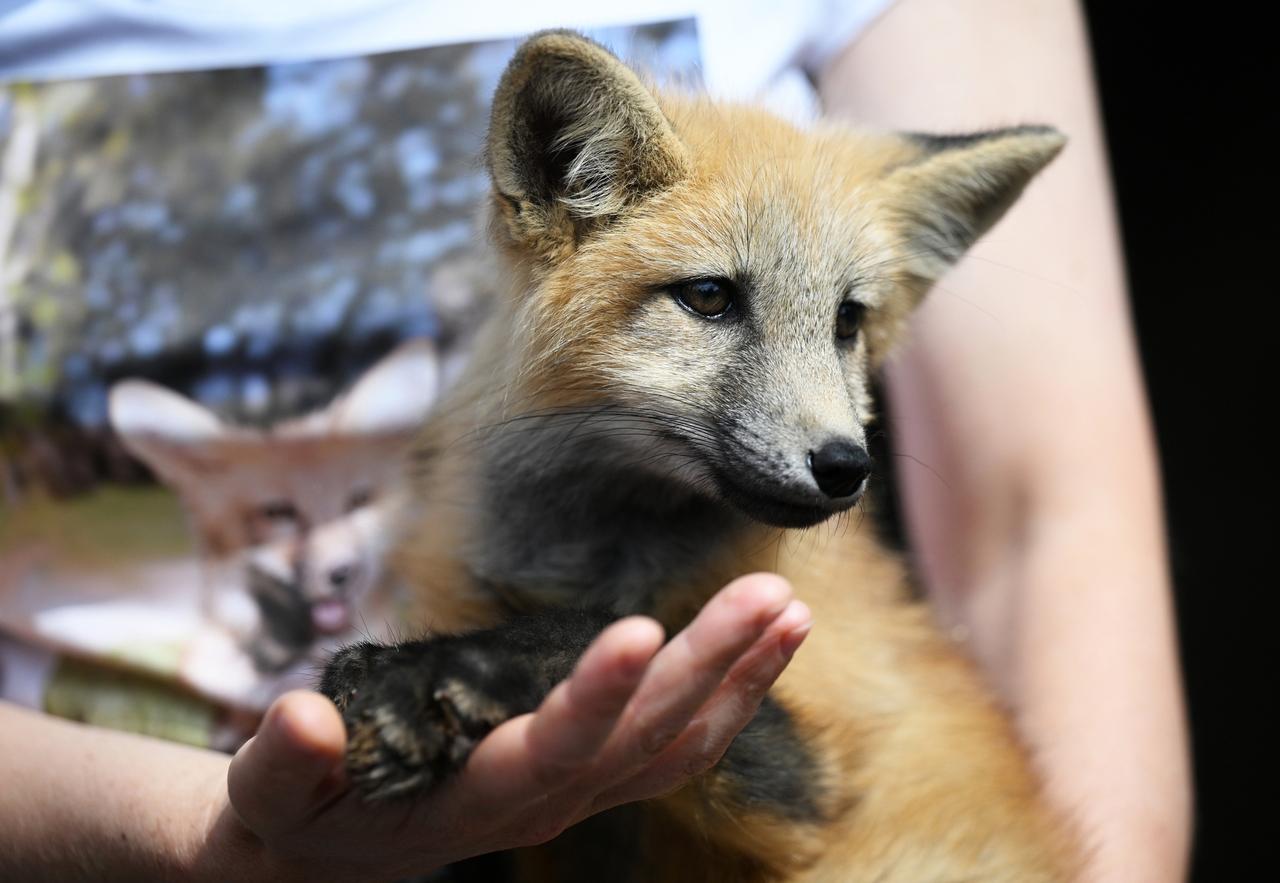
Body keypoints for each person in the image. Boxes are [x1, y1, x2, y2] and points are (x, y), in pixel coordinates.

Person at [0, 1, 1189, 881]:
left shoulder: (781, 580)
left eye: (841, 326)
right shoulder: (464, 503)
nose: (832, 427)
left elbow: (789, 783)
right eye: (712, 302)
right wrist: (209, 839)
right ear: (559, 203)